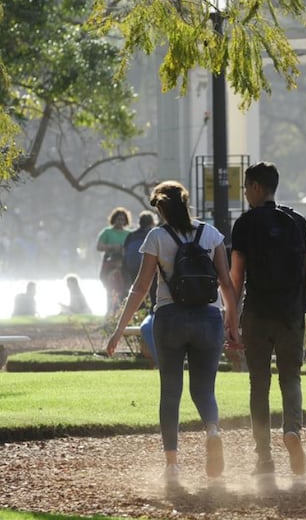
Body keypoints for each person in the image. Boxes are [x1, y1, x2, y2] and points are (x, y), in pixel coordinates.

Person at [105, 180, 239, 484]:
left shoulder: (156, 237)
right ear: (186, 201)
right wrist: (233, 323)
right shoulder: (211, 234)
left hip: (170, 318)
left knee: (171, 391)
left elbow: (140, 287)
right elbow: (227, 284)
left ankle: (172, 466)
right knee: (204, 389)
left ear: (161, 207)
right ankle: (213, 431)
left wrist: (119, 329)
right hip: (209, 317)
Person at [229, 161, 306, 477]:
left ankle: (264, 460)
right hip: (291, 314)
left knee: (259, 384)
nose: (245, 193)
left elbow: (237, 277)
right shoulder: (297, 222)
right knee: (290, 378)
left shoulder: (245, 224)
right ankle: (292, 431)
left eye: (246, 187)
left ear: (256, 187)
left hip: (257, 314)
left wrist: (232, 319)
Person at [123, 210, 160, 367]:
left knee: (146, 327)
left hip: (133, 272)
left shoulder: (131, 236)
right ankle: (161, 362)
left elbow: (124, 255)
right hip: (156, 297)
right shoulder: (157, 235)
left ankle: (160, 362)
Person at [96, 207, 131, 316]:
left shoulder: (129, 234)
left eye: (122, 219)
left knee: (124, 289)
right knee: (109, 289)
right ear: (113, 219)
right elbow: (99, 246)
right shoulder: (107, 232)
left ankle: (121, 314)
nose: (120, 221)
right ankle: (109, 313)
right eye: (118, 219)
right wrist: (112, 247)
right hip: (110, 264)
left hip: (123, 265)